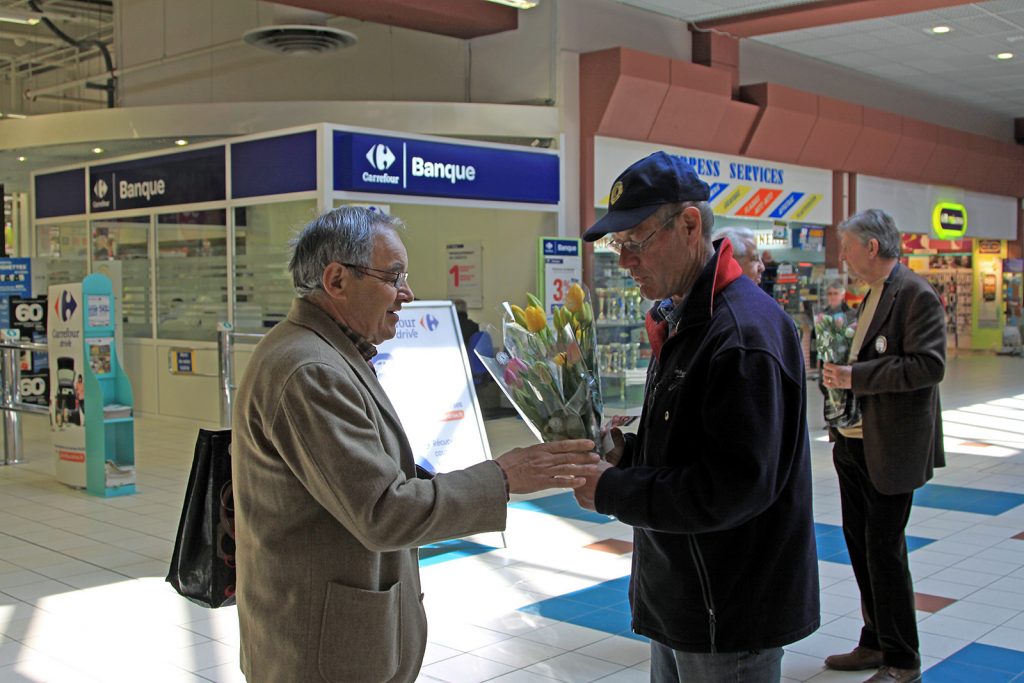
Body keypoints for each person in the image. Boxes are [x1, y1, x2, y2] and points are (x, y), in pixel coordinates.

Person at [231, 206, 600, 683]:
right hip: (319, 652)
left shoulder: (333, 355)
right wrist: (503, 478)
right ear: (337, 280)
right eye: (394, 277)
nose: (407, 294)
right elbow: (384, 511)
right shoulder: (310, 370)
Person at [576, 151, 819, 683]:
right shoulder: (690, 316)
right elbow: (692, 449)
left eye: (635, 243)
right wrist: (627, 453)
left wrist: (612, 491)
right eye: (620, 247)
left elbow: (732, 487)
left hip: (728, 613)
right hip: (687, 597)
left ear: (689, 224)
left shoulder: (741, 335)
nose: (626, 262)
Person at [821, 209, 945, 683]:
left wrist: (858, 376)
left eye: (848, 248)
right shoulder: (871, 295)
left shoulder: (915, 294)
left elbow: (928, 367)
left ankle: (903, 658)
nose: (844, 257)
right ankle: (874, 640)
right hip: (854, 442)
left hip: (890, 447)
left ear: (872, 247)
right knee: (860, 545)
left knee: (885, 552)